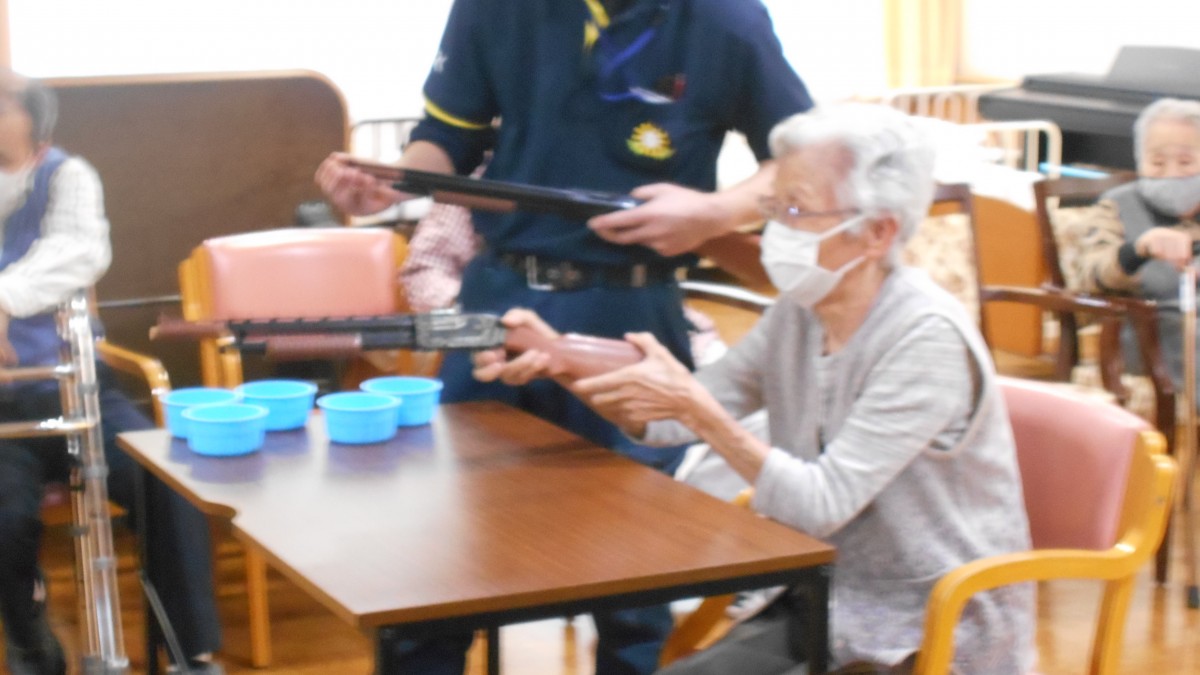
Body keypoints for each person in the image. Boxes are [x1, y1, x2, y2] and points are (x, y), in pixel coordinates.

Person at [316, 1, 812, 672]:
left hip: (632, 307)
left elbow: (799, 157)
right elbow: (449, 134)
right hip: (500, 303)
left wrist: (717, 212)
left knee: (633, 571)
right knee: (441, 557)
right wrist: (395, 185)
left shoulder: (724, 17)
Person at [474, 103, 1036, 674]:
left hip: (925, 627)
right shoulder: (802, 312)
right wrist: (562, 360)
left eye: (796, 210)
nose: (774, 231)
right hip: (822, 600)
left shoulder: (925, 337)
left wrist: (698, 411)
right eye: (773, 208)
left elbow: (819, 503)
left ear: (877, 232)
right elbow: (668, 419)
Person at [0, 71, 224, 675]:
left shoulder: (67, 175)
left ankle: (189, 654)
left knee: (167, 483)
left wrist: (5, 296)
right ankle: (29, 639)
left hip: (82, 390)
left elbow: (78, 251)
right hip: (2, 409)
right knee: (5, 517)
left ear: (36, 128)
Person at [1072, 98, 1200, 400]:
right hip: (1152, 338)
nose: (1171, 173)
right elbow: (1090, 275)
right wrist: (1138, 250)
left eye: (1185, 162)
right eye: (1157, 162)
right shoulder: (1116, 206)